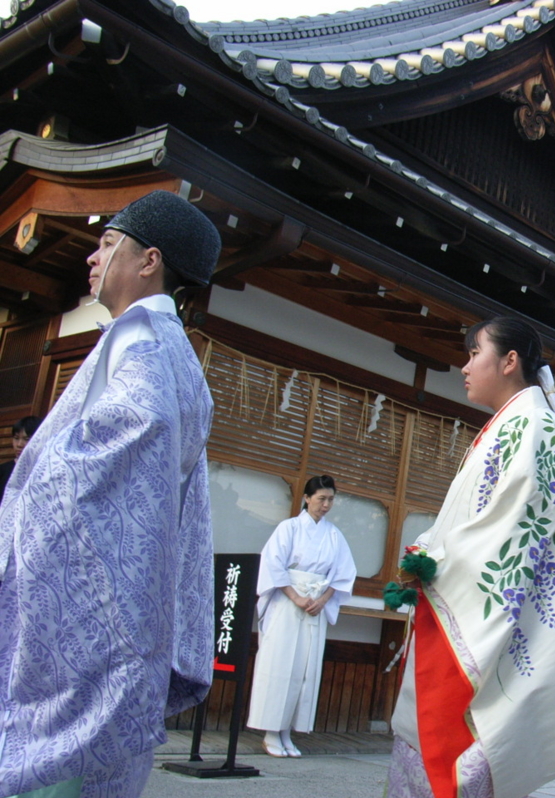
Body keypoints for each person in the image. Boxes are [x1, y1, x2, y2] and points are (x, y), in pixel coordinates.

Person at [0, 190, 220, 797]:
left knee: (58, 761)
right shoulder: (168, 350)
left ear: (149, 260)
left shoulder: (144, 343)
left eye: (106, 244)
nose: (92, 259)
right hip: (130, 607)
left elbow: (119, 453)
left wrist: (27, 489)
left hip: (93, 614)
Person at [386, 316, 555, 798]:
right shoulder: (523, 421)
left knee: (458, 741)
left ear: (509, 361)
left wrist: (437, 558)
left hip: (483, 612)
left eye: (474, 353)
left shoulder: (534, 424)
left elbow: (523, 525)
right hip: (473, 604)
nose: (464, 366)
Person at [246, 474, 357, 757]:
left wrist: (322, 600)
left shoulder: (334, 535)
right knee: (280, 663)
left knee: (303, 668)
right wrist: (295, 596)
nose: (326, 505)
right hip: (288, 602)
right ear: (306, 498)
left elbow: (344, 574)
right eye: (321, 498)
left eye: (331, 499)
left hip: (315, 606)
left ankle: (287, 731)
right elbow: (273, 564)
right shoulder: (289, 528)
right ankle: (271, 729)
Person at [0, 416, 41, 499]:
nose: (19, 444)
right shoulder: (3, 470)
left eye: (26, 439)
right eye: (16, 438)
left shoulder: (44, 470)